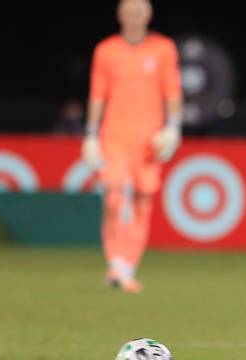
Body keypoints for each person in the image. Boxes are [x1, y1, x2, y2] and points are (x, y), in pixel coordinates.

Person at [82, 0, 182, 293]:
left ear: (148, 16)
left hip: (149, 139)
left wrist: (173, 128)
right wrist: (90, 134)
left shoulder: (163, 49)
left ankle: (127, 266)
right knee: (113, 196)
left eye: (140, 12)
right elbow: (97, 94)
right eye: (130, 12)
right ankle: (114, 261)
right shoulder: (106, 50)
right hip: (114, 135)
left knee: (142, 199)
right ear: (120, 15)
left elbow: (172, 91)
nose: (134, 17)